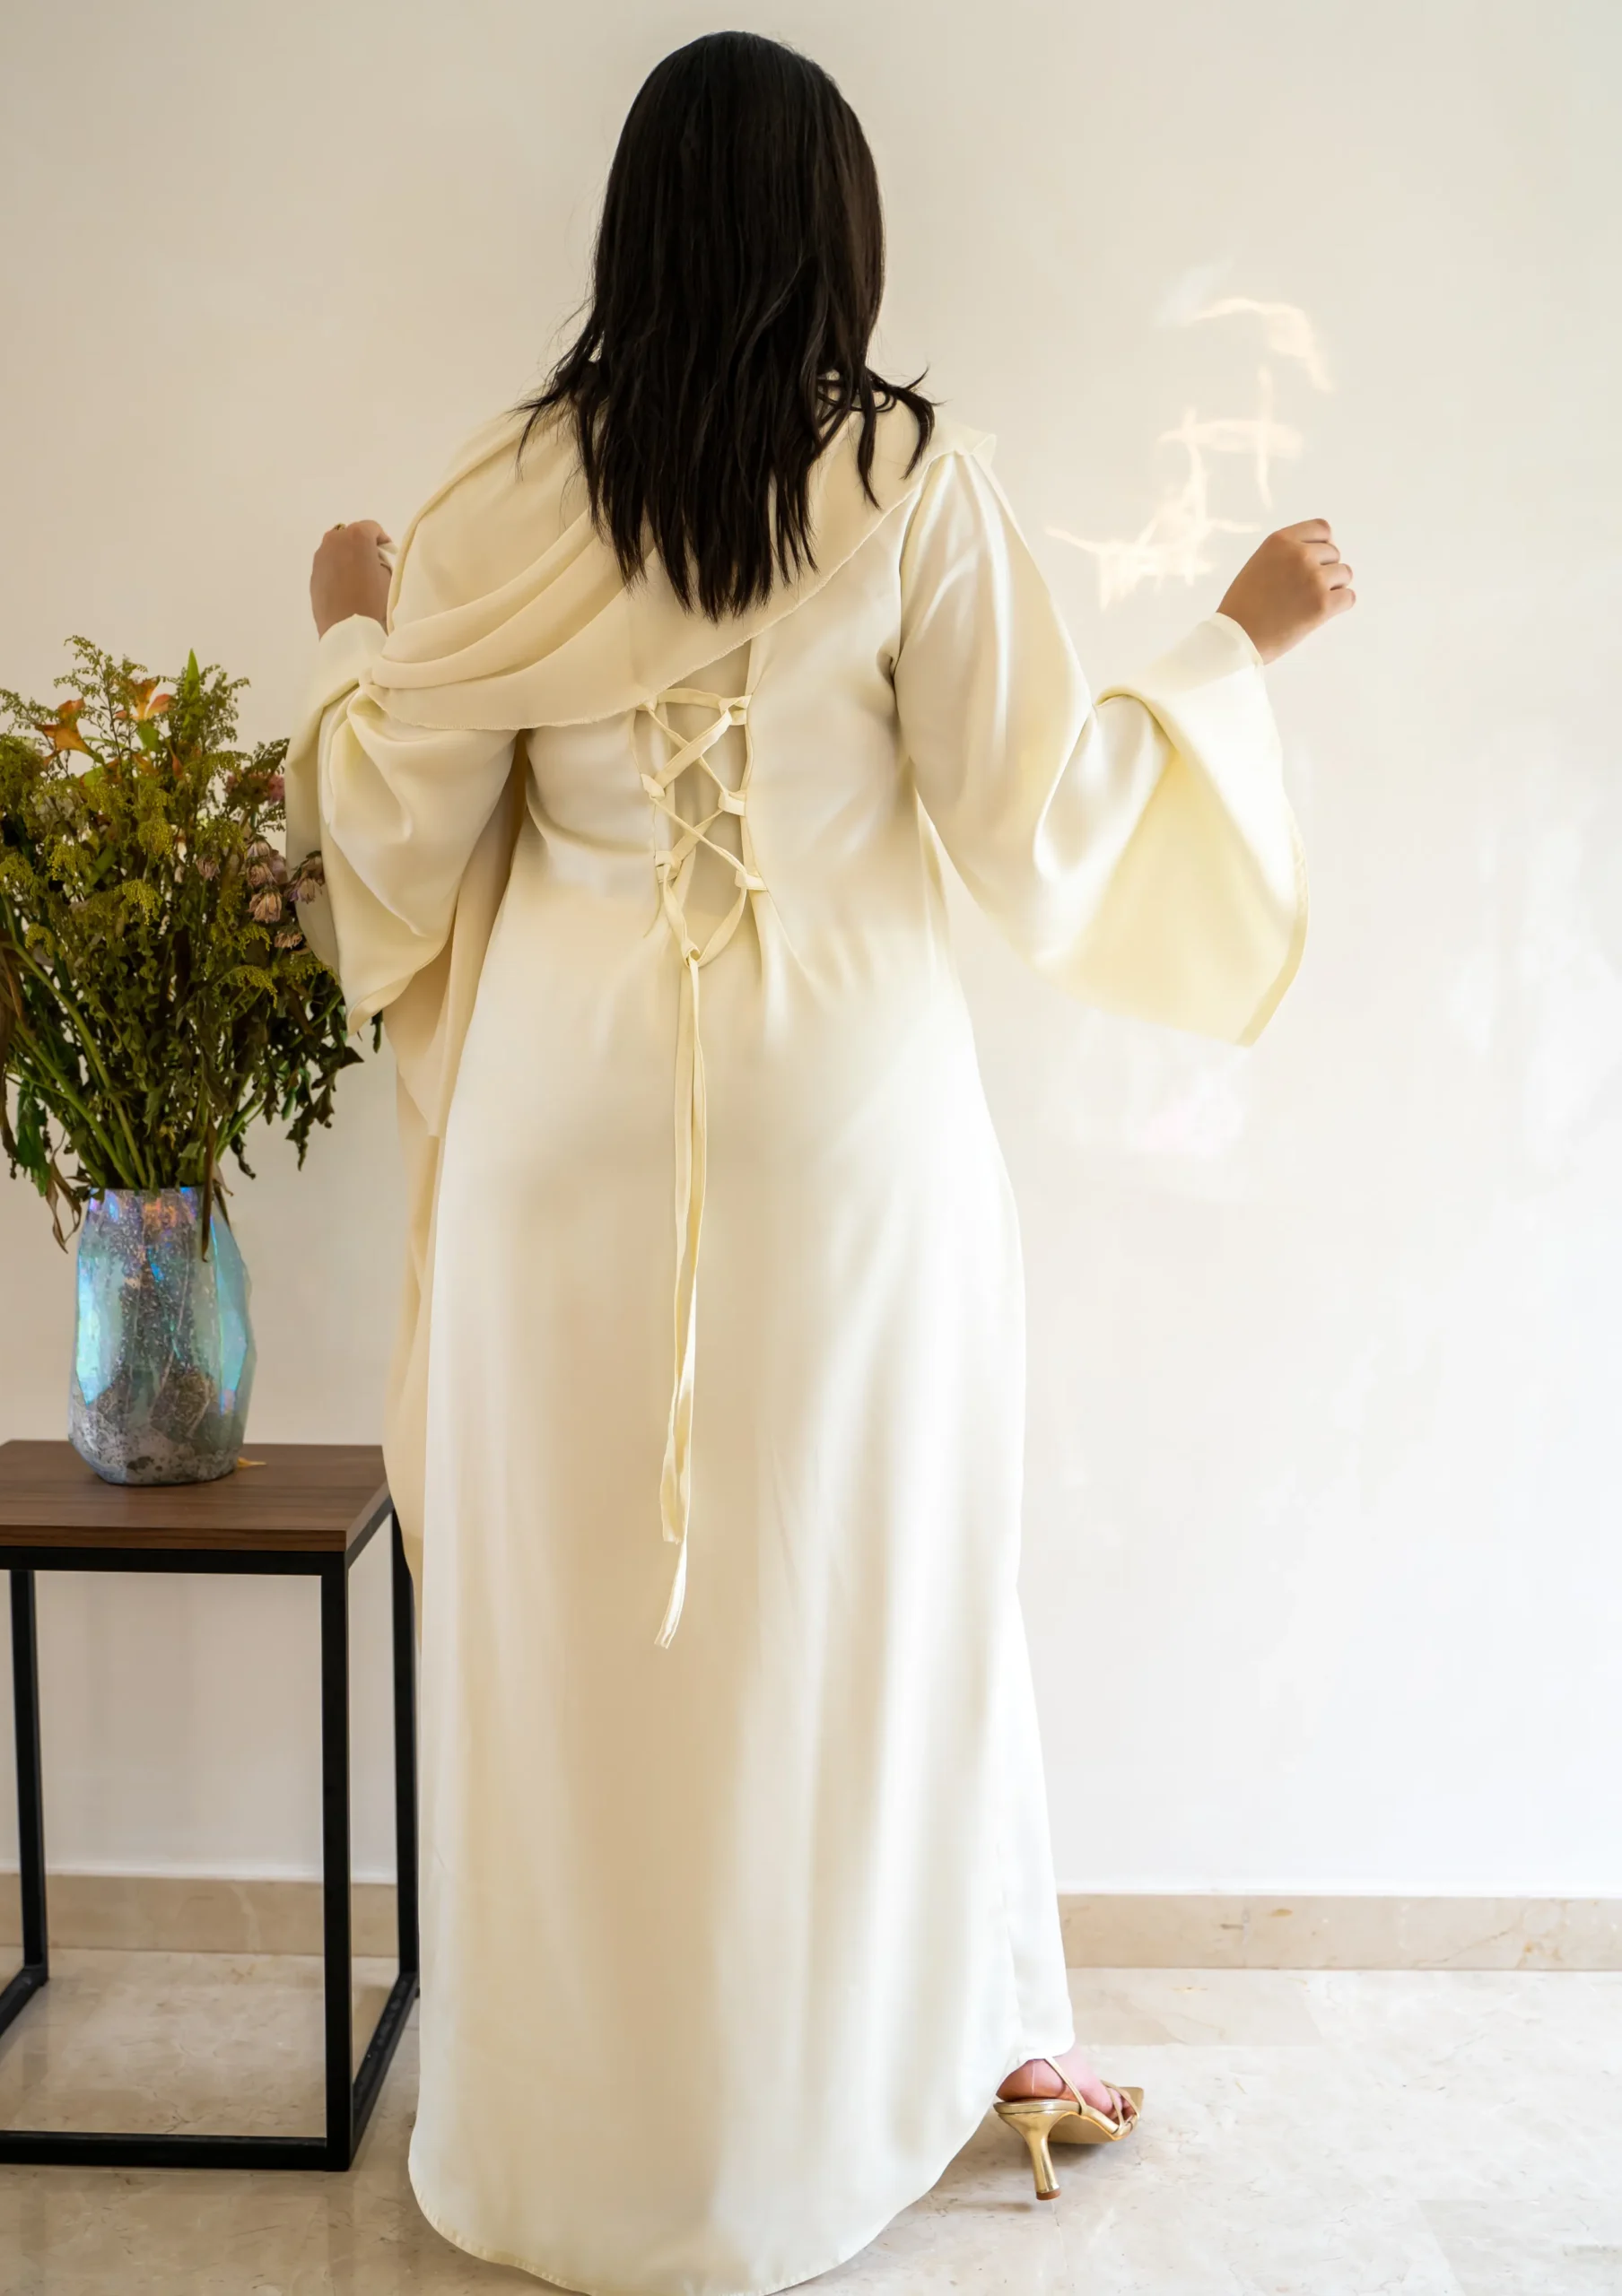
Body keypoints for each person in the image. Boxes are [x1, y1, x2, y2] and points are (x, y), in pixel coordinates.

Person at [288, 30, 1350, 2296]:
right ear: (836, 235)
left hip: (561, 1139)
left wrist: (358, 626)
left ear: (632, 232)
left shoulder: (492, 504)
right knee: (875, 1603)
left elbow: (388, 838)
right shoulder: (907, 481)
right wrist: (1229, 648)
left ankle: (566, 2150)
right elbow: (1042, 824)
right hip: (848, 1140)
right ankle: (856, 2100)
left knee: (573, 1637)